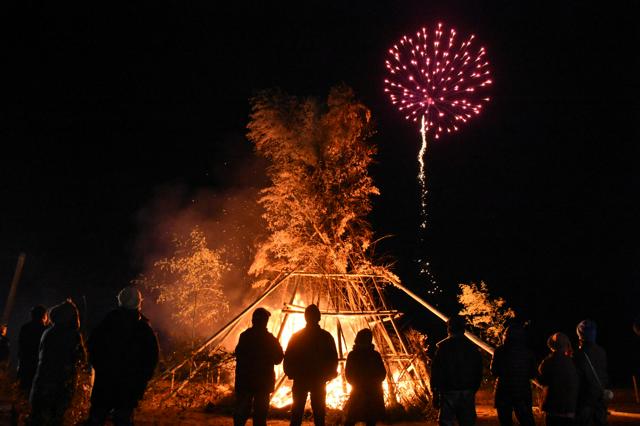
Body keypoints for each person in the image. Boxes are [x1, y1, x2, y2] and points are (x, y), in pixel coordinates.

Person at [86, 286, 159, 426]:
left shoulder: (108, 323)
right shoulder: (143, 329)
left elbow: (92, 346)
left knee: (97, 418)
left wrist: (100, 367)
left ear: (120, 301)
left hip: (105, 384)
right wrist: (142, 379)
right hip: (129, 387)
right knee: (123, 420)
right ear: (139, 302)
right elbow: (151, 358)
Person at [29, 299, 86, 426]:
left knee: (38, 418)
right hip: (61, 384)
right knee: (55, 419)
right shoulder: (73, 335)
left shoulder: (48, 332)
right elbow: (81, 359)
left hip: (42, 381)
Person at [284, 304, 338, 426]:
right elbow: (333, 359)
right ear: (319, 317)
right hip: (318, 379)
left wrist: (291, 373)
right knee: (319, 414)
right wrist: (329, 375)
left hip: (301, 378)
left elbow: (288, 357)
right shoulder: (326, 336)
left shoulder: (296, 337)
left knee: (297, 413)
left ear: (305, 317)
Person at [233, 307, 284, 426]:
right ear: (265, 322)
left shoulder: (245, 336)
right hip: (263, 384)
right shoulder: (270, 339)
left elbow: (239, 354)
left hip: (245, 381)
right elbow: (278, 359)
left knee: (241, 413)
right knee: (260, 416)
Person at [430, 315, 483, 426]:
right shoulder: (472, 348)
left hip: (449, 391)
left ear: (449, 329)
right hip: (467, 391)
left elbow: (436, 371)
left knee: (446, 422)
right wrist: (473, 388)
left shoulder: (443, 348)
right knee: (467, 422)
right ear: (463, 329)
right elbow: (478, 370)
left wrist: (435, 392)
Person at [490, 323, 536, 426]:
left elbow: (494, 371)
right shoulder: (528, 353)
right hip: (522, 391)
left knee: (505, 422)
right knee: (527, 421)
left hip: (503, 391)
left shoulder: (499, 351)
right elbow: (533, 373)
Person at [344, 328, 386, 426]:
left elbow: (348, 374)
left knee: (352, 418)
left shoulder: (353, 355)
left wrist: (357, 384)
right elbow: (382, 374)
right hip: (372, 392)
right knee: (370, 420)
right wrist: (374, 383)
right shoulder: (375, 355)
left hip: (359, 391)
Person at [538, 332, 579, 426]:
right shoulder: (573, 362)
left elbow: (542, 381)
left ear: (552, 345)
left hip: (552, 408)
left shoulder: (547, 362)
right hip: (569, 408)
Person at [573, 320, 609, 426]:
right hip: (600, 395)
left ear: (580, 335)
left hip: (584, 399)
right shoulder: (601, 351)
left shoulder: (577, 355)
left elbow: (577, 378)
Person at [17, 305, 49, 396]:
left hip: (25, 363)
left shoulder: (25, 328)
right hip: (39, 365)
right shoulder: (46, 330)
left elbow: (21, 346)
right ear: (44, 316)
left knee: (24, 391)